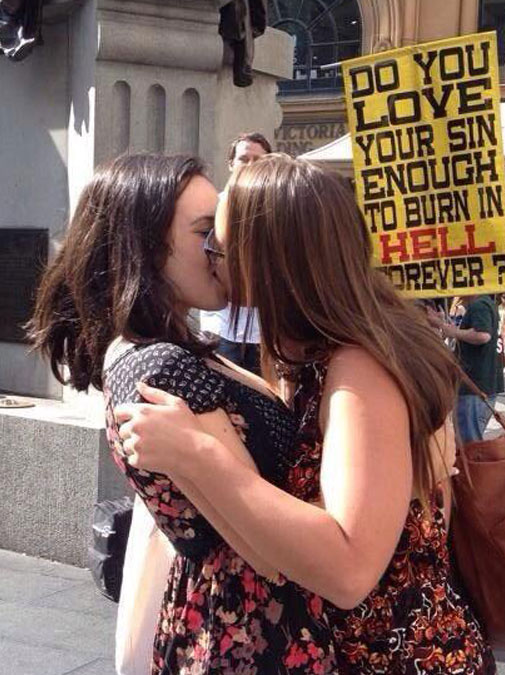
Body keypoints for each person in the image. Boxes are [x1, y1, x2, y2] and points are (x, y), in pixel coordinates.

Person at [113, 154, 496, 674]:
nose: (213, 256)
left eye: (220, 242)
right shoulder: (313, 351)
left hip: (394, 656)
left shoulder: (359, 368)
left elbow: (349, 568)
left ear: (270, 258)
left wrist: (200, 455)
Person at [26, 154, 337, 673]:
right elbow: (264, 546)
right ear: (145, 248)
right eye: (203, 231)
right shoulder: (162, 367)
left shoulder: (165, 350)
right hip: (260, 637)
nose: (223, 246)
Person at [198, 132, 271, 374]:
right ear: (231, 163)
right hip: (220, 328)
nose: (250, 166)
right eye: (244, 159)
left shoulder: (276, 212)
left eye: (258, 160)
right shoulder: (211, 207)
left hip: (265, 331)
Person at [436, 295, 502, 444]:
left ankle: (470, 468)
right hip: (479, 384)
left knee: (468, 443)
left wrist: (454, 333)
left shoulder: (479, 305)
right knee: (468, 439)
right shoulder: (485, 304)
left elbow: (483, 335)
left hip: (473, 385)